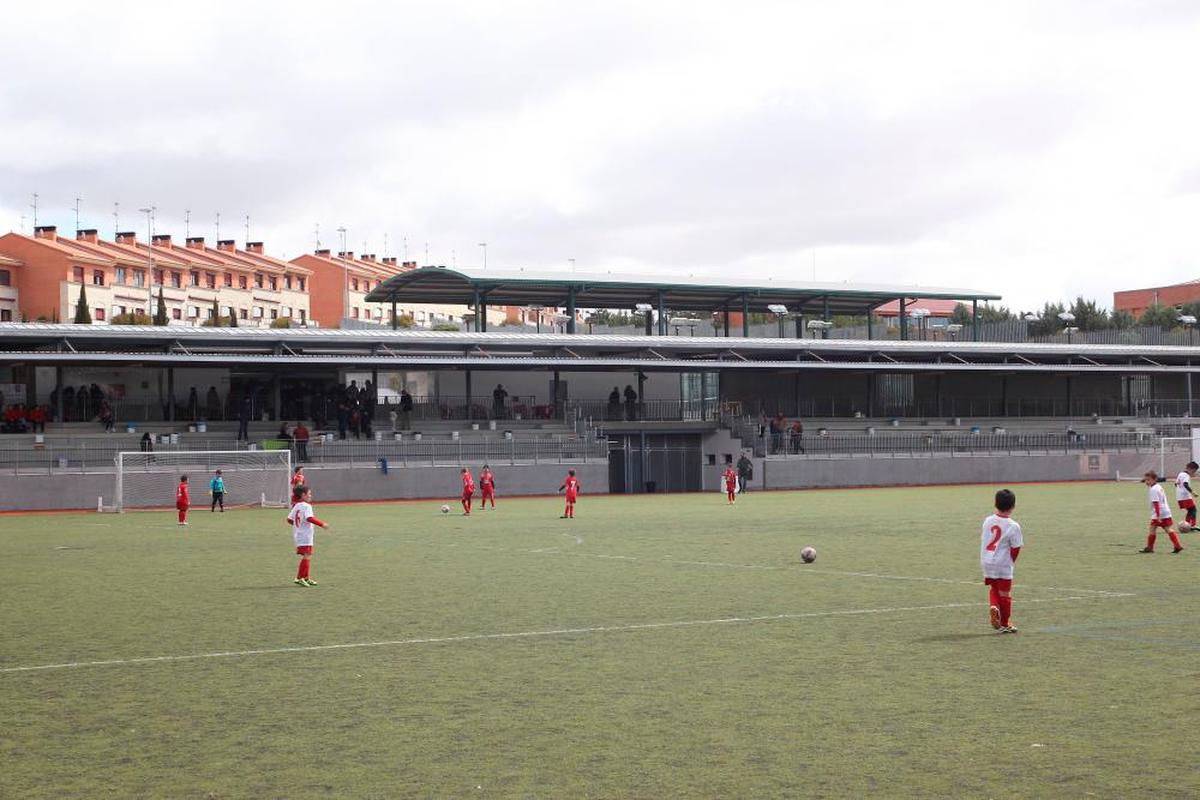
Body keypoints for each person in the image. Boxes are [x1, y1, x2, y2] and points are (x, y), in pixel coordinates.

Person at [981, 488, 1023, 634]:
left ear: (995, 503)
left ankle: (994, 607)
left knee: (994, 589)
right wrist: (1011, 562)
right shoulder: (1013, 525)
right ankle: (1005, 623)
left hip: (987, 561)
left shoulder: (988, 520)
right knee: (1005, 594)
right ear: (1013, 506)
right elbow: (1016, 548)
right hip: (1003, 564)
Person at [286, 484, 329, 586]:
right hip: (305, 536)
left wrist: (298, 526)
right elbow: (310, 518)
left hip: (299, 535)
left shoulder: (296, 506)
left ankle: (305, 577)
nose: (310, 496)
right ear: (303, 495)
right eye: (309, 494)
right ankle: (300, 578)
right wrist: (322, 524)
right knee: (307, 556)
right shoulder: (307, 506)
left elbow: (289, 519)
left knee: (307, 556)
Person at [1140, 471, 1184, 554]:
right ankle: (1177, 546)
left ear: (1154, 479)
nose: (1147, 482)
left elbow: (1156, 503)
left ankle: (1149, 547)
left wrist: (1158, 515)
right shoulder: (1158, 486)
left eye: (1148, 480)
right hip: (1166, 511)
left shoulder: (1153, 489)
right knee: (1168, 528)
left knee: (1152, 529)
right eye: (1146, 480)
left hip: (1159, 512)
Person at [1175, 461, 1198, 530]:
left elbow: (1176, 484)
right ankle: (1189, 525)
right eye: (1193, 471)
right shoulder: (1186, 476)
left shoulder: (1180, 474)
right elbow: (1185, 484)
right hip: (1185, 497)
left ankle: (1189, 525)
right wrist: (1192, 492)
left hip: (1179, 497)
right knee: (1193, 510)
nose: (1193, 473)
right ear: (1190, 469)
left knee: (1191, 510)